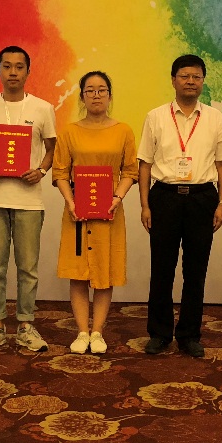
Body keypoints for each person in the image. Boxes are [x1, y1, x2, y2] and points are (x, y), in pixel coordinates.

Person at [138, 53, 222, 357]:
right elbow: (144, 164)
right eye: (184, 76)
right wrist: (145, 205)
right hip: (164, 196)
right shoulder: (156, 116)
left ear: (203, 81)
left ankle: (190, 334)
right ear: (173, 80)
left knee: (196, 270)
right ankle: (159, 333)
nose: (190, 81)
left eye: (196, 77)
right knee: (161, 269)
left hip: (202, 198)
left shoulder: (215, 117)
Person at [0, 45, 56, 352]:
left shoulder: (42, 108)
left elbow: (52, 149)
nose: (13, 72)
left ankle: (26, 325)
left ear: (28, 71)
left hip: (29, 200)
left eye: (19, 67)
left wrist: (41, 170)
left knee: (28, 267)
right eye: (7, 66)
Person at [52, 71, 138, 354]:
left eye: (102, 90)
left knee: (104, 271)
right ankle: (81, 332)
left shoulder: (123, 131)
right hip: (77, 212)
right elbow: (60, 172)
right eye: (90, 90)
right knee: (78, 272)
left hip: (109, 211)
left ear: (110, 96)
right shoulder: (69, 131)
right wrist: (70, 201)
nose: (96, 95)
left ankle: (98, 332)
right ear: (82, 97)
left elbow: (130, 171)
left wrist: (117, 197)